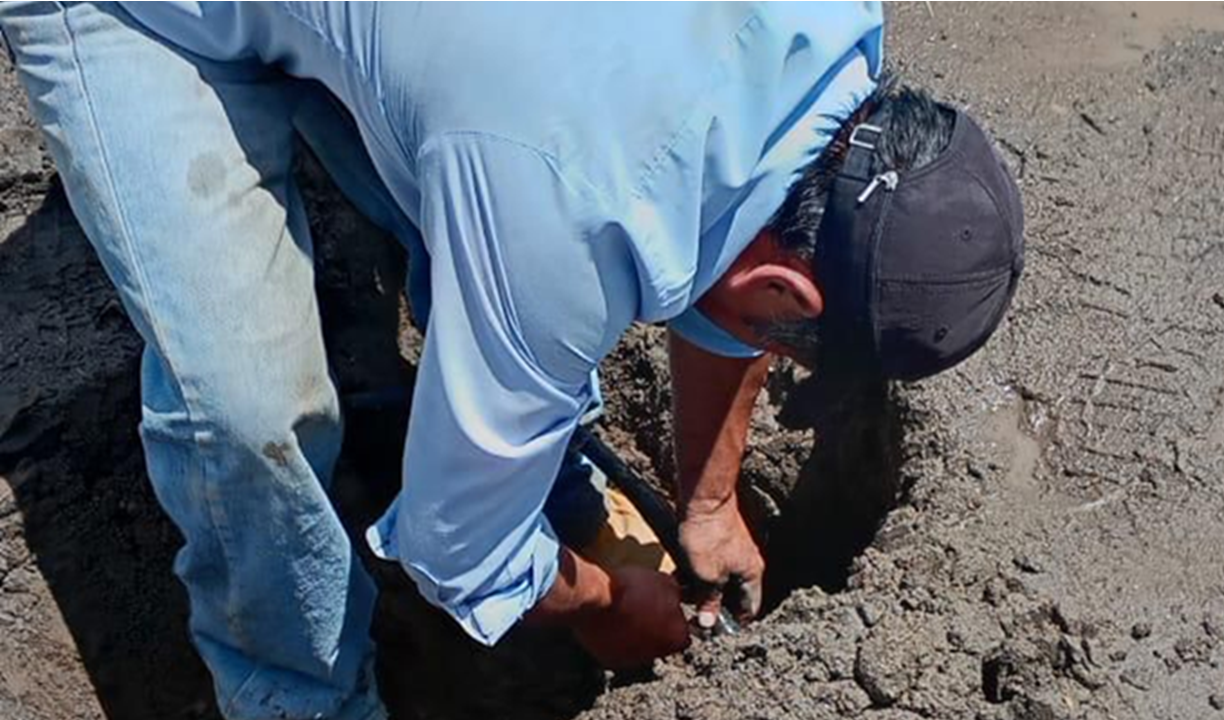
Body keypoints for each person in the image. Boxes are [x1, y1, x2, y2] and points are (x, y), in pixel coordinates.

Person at [0, 3, 1023, 719]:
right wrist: (604, 609)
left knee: (482, 207)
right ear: (785, 296)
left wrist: (710, 499)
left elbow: (739, 255)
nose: (770, 348)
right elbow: (455, 552)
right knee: (250, 414)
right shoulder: (564, 217)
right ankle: (296, 697)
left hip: (444, 67)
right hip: (142, 17)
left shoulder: (833, 34)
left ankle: (537, 468)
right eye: (786, 341)